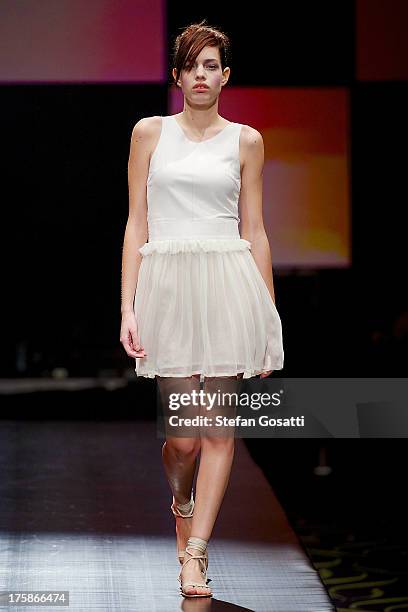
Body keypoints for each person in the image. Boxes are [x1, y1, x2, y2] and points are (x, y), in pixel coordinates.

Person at [120, 19, 284, 598]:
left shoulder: (246, 140)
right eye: (192, 65)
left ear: (225, 76)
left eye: (211, 65)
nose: (200, 75)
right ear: (176, 76)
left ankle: (195, 551)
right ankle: (181, 499)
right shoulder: (149, 133)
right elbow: (136, 222)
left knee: (218, 429)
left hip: (227, 283)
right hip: (167, 287)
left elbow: (256, 230)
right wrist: (128, 306)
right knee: (184, 438)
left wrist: (268, 314)